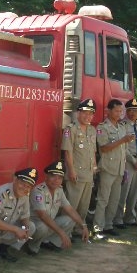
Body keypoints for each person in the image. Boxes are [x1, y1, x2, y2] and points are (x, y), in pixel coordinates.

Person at [92, 98, 135, 240]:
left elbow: (124, 150)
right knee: (103, 199)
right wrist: (122, 140)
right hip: (107, 168)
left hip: (119, 169)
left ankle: (108, 225)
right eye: (116, 110)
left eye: (121, 111)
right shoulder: (102, 127)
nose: (119, 113)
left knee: (115, 199)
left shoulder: (122, 127)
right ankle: (97, 227)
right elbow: (103, 148)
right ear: (108, 111)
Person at [27, 162, 90, 255]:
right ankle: (32, 247)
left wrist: (83, 226)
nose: (56, 180)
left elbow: (70, 209)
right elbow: (43, 216)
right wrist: (62, 233)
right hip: (35, 224)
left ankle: (48, 242)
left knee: (70, 219)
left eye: (60, 178)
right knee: (43, 227)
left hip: (49, 223)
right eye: (53, 176)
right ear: (46, 176)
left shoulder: (59, 190)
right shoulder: (38, 191)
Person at [62, 98, 98, 235]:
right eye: (84, 113)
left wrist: (94, 167)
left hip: (88, 174)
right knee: (72, 204)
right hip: (76, 173)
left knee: (84, 205)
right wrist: (71, 170)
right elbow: (68, 151)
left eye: (90, 114)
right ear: (78, 113)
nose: (87, 116)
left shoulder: (92, 130)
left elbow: (93, 151)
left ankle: (79, 229)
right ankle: (67, 231)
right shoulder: (71, 129)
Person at [113, 98, 137, 228]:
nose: (133, 113)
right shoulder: (122, 126)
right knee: (124, 191)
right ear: (126, 112)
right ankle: (118, 219)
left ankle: (130, 217)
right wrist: (133, 161)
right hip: (128, 162)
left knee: (135, 191)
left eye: (136, 111)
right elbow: (124, 147)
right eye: (130, 110)